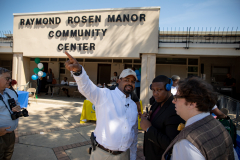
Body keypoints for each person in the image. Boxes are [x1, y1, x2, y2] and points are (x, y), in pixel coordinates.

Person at [64, 52, 138, 160]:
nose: (130, 83)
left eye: (132, 81)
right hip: (102, 155)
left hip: (124, 156)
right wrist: (79, 71)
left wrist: (133, 156)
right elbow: (87, 88)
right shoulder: (105, 95)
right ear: (118, 81)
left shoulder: (133, 106)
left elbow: (134, 134)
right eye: (126, 80)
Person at [162, 77, 234, 160]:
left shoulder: (186, 144)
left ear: (191, 104)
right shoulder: (217, 125)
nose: (173, 101)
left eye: (176, 97)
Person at [140, 75, 185, 160]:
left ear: (168, 88)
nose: (155, 93)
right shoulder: (156, 103)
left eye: (159, 90)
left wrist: (148, 128)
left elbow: (171, 144)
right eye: (153, 90)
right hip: (150, 153)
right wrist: (147, 119)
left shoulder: (175, 110)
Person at [0, 67, 21, 160]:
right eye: (7, 78)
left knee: (8, 156)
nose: (10, 81)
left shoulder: (11, 92)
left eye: (10, 78)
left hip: (10, 134)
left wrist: (18, 108)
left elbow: (18, 104)